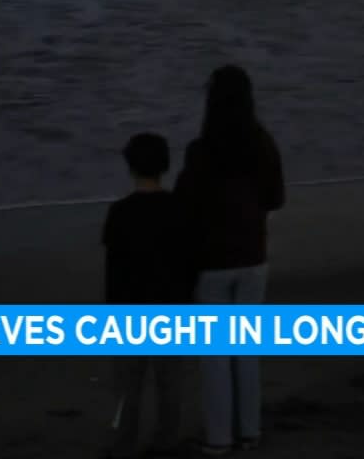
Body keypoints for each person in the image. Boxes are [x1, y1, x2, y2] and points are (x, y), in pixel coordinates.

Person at [173, 65, 285, 456]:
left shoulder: (201, 151)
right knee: (247, 349)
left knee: (216, 355)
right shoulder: (262, 143)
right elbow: (276, 199)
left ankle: (219, 437)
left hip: (212, 261)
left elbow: (184, 208)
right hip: (253, 256)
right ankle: (249, 431)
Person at [102, 132, 196, 459]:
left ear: (130, 166)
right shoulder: (179, 209)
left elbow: (114, 271)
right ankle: (166, 440)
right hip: (172, 304)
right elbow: (189, 264)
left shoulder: (120, 213)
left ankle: (124, 442)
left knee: (128, 385)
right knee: (170, 382)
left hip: (129, 307)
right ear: (165, 165)